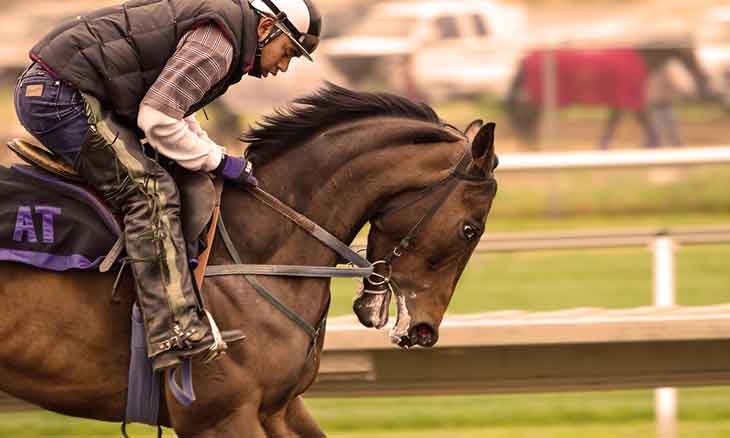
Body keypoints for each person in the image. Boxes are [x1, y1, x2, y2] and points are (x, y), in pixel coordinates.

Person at [13, 0, 322, 373]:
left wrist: (213, 154)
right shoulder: (218, 45)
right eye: (287, 52)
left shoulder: (225, 35)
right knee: (150, 192)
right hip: (61, 97)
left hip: (69, 90)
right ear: (265, 28)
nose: (283, 66)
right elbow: (157, 120)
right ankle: (174, 329)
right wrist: (220, 161)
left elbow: (172, 112)